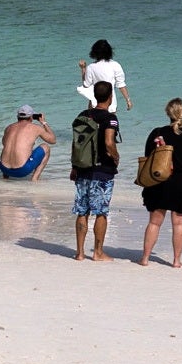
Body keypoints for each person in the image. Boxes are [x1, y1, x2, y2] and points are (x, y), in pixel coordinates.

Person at [137, 98, 182, 267]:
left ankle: (145, 258)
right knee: (179, 223)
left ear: (168, 113)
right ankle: (176, 261)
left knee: (154, 221)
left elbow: (148, 156)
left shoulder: (157, 133)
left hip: (160, 181)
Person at [70, 79, 122, 262]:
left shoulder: (83, 115)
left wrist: (74, 166)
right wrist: (116, 156)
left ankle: (80, 252)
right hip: (102, 171)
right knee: (101, 212)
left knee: (82, 210)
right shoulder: (110, 118)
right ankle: (98, 252)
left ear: (94, 95)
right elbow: (109, 142)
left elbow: (76, 144)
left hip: (83, 168)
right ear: (110, 97)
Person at [77, 39, 130, 116]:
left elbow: (86, 85)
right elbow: (121, 85)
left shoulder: (91, 67)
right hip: (110, 102)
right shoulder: (115, 65)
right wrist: (128, 100)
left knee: (94, 126)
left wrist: (83, 68)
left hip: (95, 102)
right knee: (110, 125)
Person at [0, 106, 55, 179]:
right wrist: (43, 122)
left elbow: (4, 143)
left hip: (3, 168)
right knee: (46, 147)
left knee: (9, 146)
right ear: (31, 117)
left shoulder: (9, 127)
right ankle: (34, 179)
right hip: (22, 170)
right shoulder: (35, 128)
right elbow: (53, 140)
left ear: (17, 117)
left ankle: (5, 178)